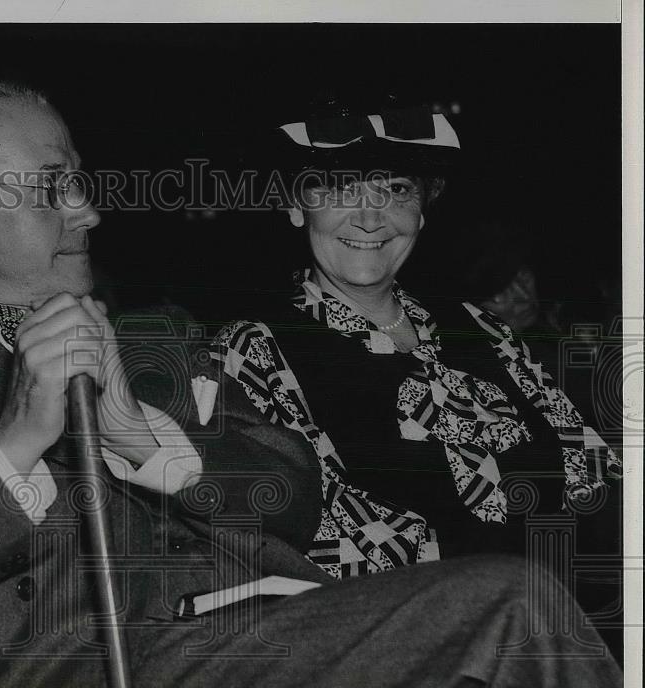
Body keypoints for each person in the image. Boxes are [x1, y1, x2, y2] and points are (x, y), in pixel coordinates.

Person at [0, 81, 623, 688]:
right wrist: (16, 438)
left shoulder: (155, 331)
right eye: (52, 186)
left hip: (276, 632)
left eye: (82, 183)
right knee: (516, 599)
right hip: (81, 678)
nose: (89, 209)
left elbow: (297, 493)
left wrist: (141, 435)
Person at [211, 97, 622, 590]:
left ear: (423, 212)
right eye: (341, 188)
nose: (370, 217)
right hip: (432, 633)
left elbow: (595, 470)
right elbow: (328, 543)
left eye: (396, 190)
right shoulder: (257, 349)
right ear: (296, 208)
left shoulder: (480, 327)